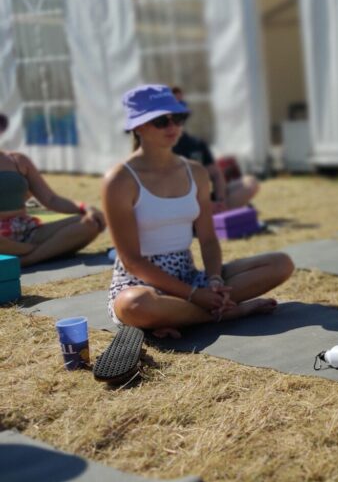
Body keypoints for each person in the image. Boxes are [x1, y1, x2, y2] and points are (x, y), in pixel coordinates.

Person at [103, 85, 293, 337]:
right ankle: (227, 312)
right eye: (161, 121)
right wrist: (195, 295)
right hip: (140, 283)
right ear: (138, 127)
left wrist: (214, 280)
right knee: (134, 305)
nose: (172, 126)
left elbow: (208, 239)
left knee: (281, 264)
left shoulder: (196, 172)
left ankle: (183, 314)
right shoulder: (119, 180)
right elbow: (132, 262)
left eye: (178, 118)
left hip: (189, 276)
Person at [0, 112, 106, 266]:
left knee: (90, 222)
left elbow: (51, 199)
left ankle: (27, 258)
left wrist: (85, 207)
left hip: (27, 229)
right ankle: (44, 250)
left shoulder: (18, 160)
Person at [169, 87, 260, 212]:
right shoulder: (159, 147)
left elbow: (216, 174)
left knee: (250, 183)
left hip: (204, 200)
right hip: (180, 203)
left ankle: (219, 212)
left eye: (181, 105)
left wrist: (220, 200)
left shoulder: (196, 143)